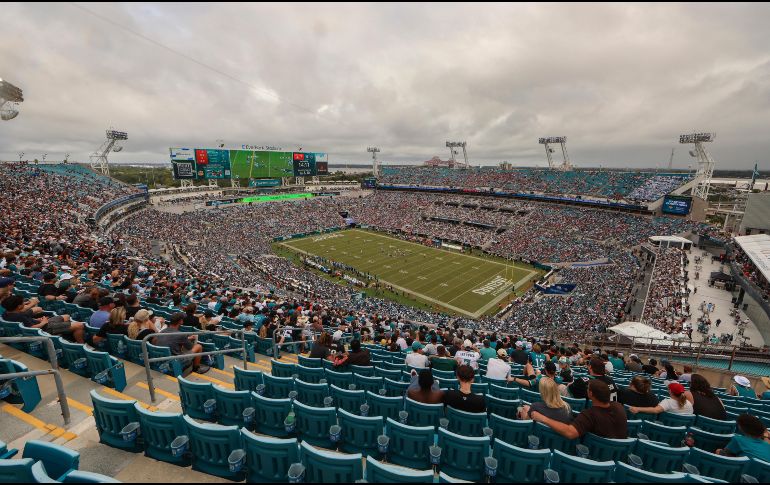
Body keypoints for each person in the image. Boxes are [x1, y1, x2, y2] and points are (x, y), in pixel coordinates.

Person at [531, 379, 628, 439]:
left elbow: (570, 433)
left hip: (594, 457)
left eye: (588, 388)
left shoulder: (589, 415)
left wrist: (543, 418)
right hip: (617, 458)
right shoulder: (619, 407)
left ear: (591, 394)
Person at [1, 294, 84, 343]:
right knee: (79, 325)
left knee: (66, 316)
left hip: (40, 324)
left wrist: (37, 320)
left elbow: (27, 322)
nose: (24, 304)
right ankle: (80, 344)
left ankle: (64, 332)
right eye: (22, 303)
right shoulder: (19, 316)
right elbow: (31, 328)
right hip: (44, 328)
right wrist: (43, 322)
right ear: (19, 306)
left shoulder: (6, 313)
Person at [629, 382, 693, 415]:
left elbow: (655, 410)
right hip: (682, 431)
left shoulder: (668, 402)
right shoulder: (689, 403)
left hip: (667, 428)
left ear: (670, 391)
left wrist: (638, 408)